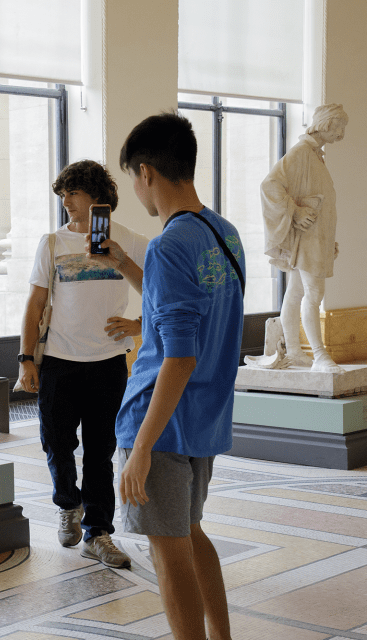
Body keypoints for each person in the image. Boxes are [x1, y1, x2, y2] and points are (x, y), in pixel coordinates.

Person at [117, 112, 244, 640]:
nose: (137, 193)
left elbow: (179, 355)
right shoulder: (224, 233)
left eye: (133, 181)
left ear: (147, 173)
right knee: (188, 534)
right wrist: (128, 270)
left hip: (162, 423)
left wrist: (142, 446)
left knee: (167, 551)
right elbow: (198, 320)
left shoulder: (169, 245)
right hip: (203, 420)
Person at [17, 160, 146, 568]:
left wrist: (138, 324)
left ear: (96, 196)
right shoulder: (52, 243)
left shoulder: (128, 240)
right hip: (58, 361)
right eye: (63, 195)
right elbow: (35, 304)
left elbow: (161, 287)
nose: (66, 202)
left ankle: (99, 533)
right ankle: (67, 504)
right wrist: (25, 359)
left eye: (73, 193)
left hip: (108, 363)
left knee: (100, 451)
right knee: (56, 443)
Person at [261, 104, 347, 373]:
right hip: (307, 239)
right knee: (314, 293)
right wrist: (295, 211)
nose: (342, 133)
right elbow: (269, 184)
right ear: (326, 124)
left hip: (315, 238)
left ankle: (296, 353)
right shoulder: (300, 153)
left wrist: (328, 238)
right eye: (340, 127)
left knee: (296, 292)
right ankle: (319, 356)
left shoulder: (313, 155)